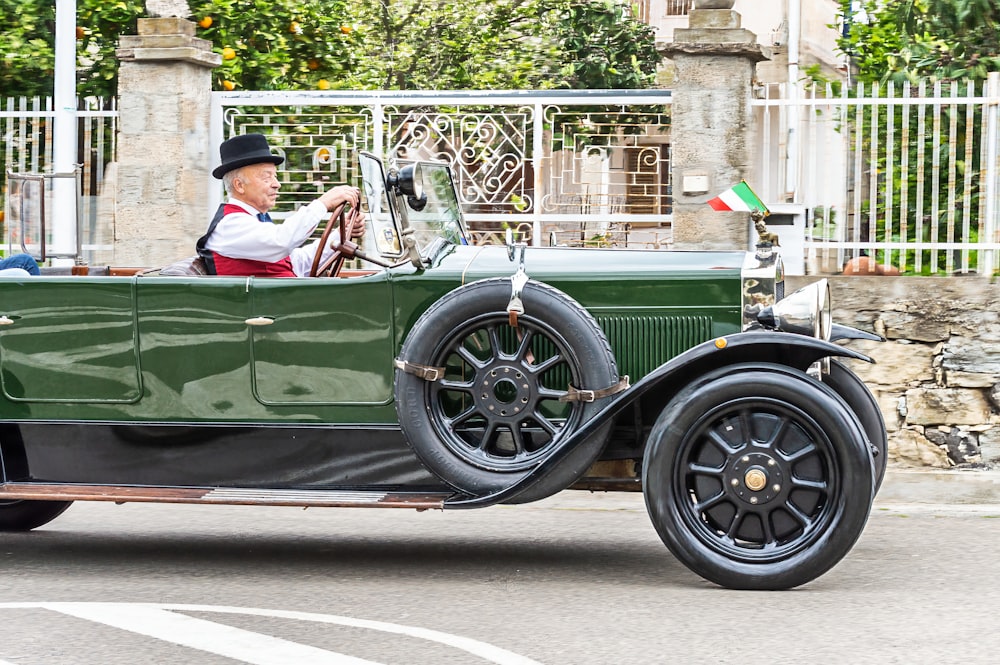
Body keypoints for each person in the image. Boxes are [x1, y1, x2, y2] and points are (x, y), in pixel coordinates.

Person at [197, 133, 365, 277]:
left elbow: (298, 264)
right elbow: (282, 241)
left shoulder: (253, 222)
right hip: (266, 312)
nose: (276, 184)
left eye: (275, 176)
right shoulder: (230, 225)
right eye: (266, 177)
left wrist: (340, 234)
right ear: (239, 185)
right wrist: (323, 203)